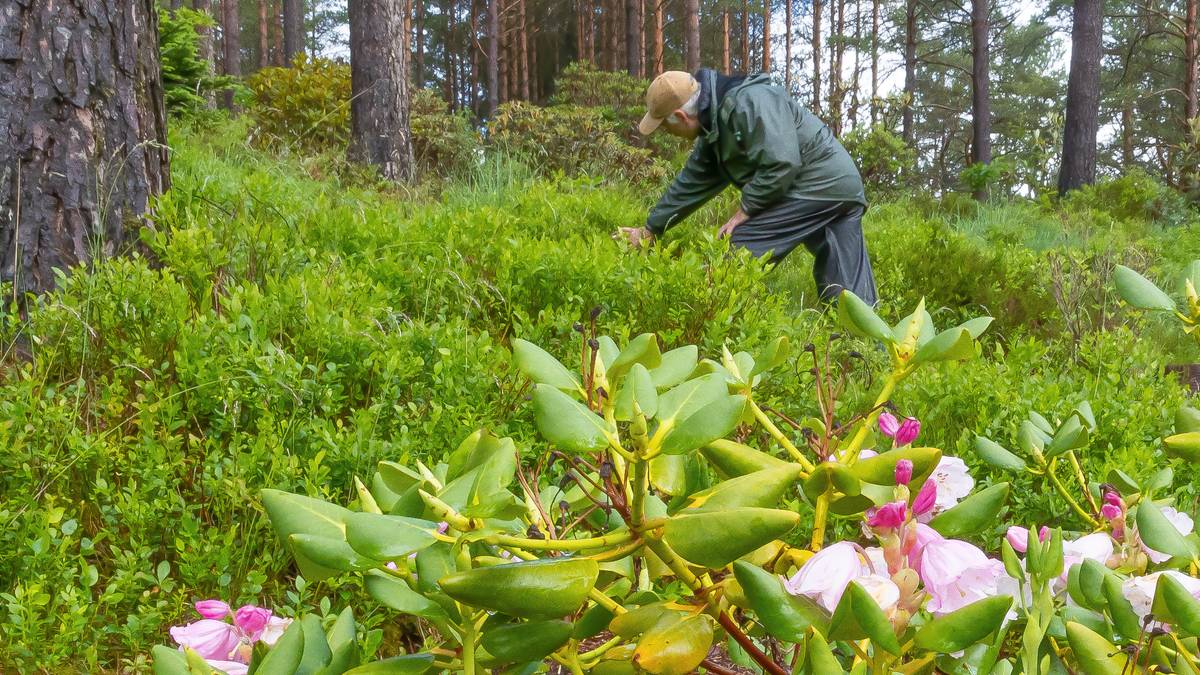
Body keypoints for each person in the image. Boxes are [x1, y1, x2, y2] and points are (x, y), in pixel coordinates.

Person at [618, 69, 877, 305]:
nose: (665, 132)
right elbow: (691, 182)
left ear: (680, 117)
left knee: (735, 249)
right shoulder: (714, 129)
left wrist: (746, 209)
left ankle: (703, 326)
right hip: (840, 187)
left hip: (818, 184)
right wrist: (651, 228)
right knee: (846, 289)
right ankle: (866, 351)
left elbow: (782, 162)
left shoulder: (750, 101)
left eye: (663, 125)